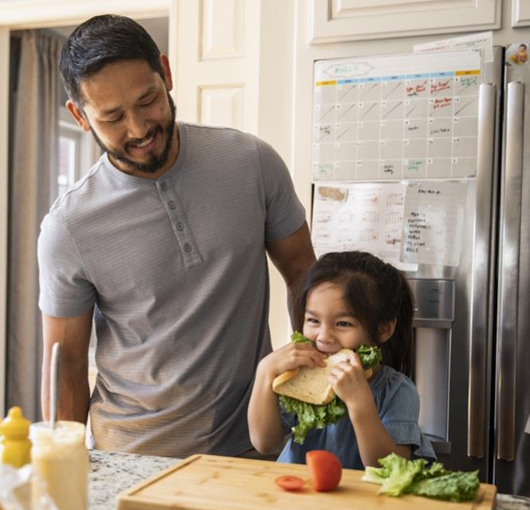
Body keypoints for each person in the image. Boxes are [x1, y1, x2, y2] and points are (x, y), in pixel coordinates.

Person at [37, 14, 316, 458]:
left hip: (254, 446)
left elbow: (304, 272)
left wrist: (310, 387)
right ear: (80, 116)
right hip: (130, 456)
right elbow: (65, 364)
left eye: (148, 100)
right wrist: (63, 466)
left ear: (165, 73)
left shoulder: (251, 162)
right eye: (112, 117)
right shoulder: (68, 226)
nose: (138, 129)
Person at [247, 251, 436, 469]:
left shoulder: (396, 390)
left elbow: (390, 467)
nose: (324, 337)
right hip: (301, 494)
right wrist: (265, 372)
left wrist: (359, 402)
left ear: (384, 329)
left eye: (343, 324)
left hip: (361, 501)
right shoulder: (300, 375)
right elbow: (265, 443)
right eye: (313, 320)